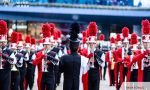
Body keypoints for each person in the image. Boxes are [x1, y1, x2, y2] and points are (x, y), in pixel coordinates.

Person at [59, 22, 88, 90]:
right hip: (78, 85)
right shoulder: (83, 59)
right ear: (78, 48)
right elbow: (84, 72)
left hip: (66, 85)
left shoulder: (63, 58)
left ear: (69, 47)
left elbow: (60, 70)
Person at [87, 22, 105, 90]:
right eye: (90, 43)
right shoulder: (86, 52)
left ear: (95, 43)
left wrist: (96, 57)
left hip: (96, 72)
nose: (91, 44)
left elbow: (103, 65)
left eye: (93, 43)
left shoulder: (100, 53)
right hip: (88, 73)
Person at [0, 20, 16, 90]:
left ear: (5, 42)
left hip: (6, 75)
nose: (1, 44)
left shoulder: (9, 51)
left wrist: (4, 55)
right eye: (0, 42)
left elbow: (14, 61)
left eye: (2, 42)